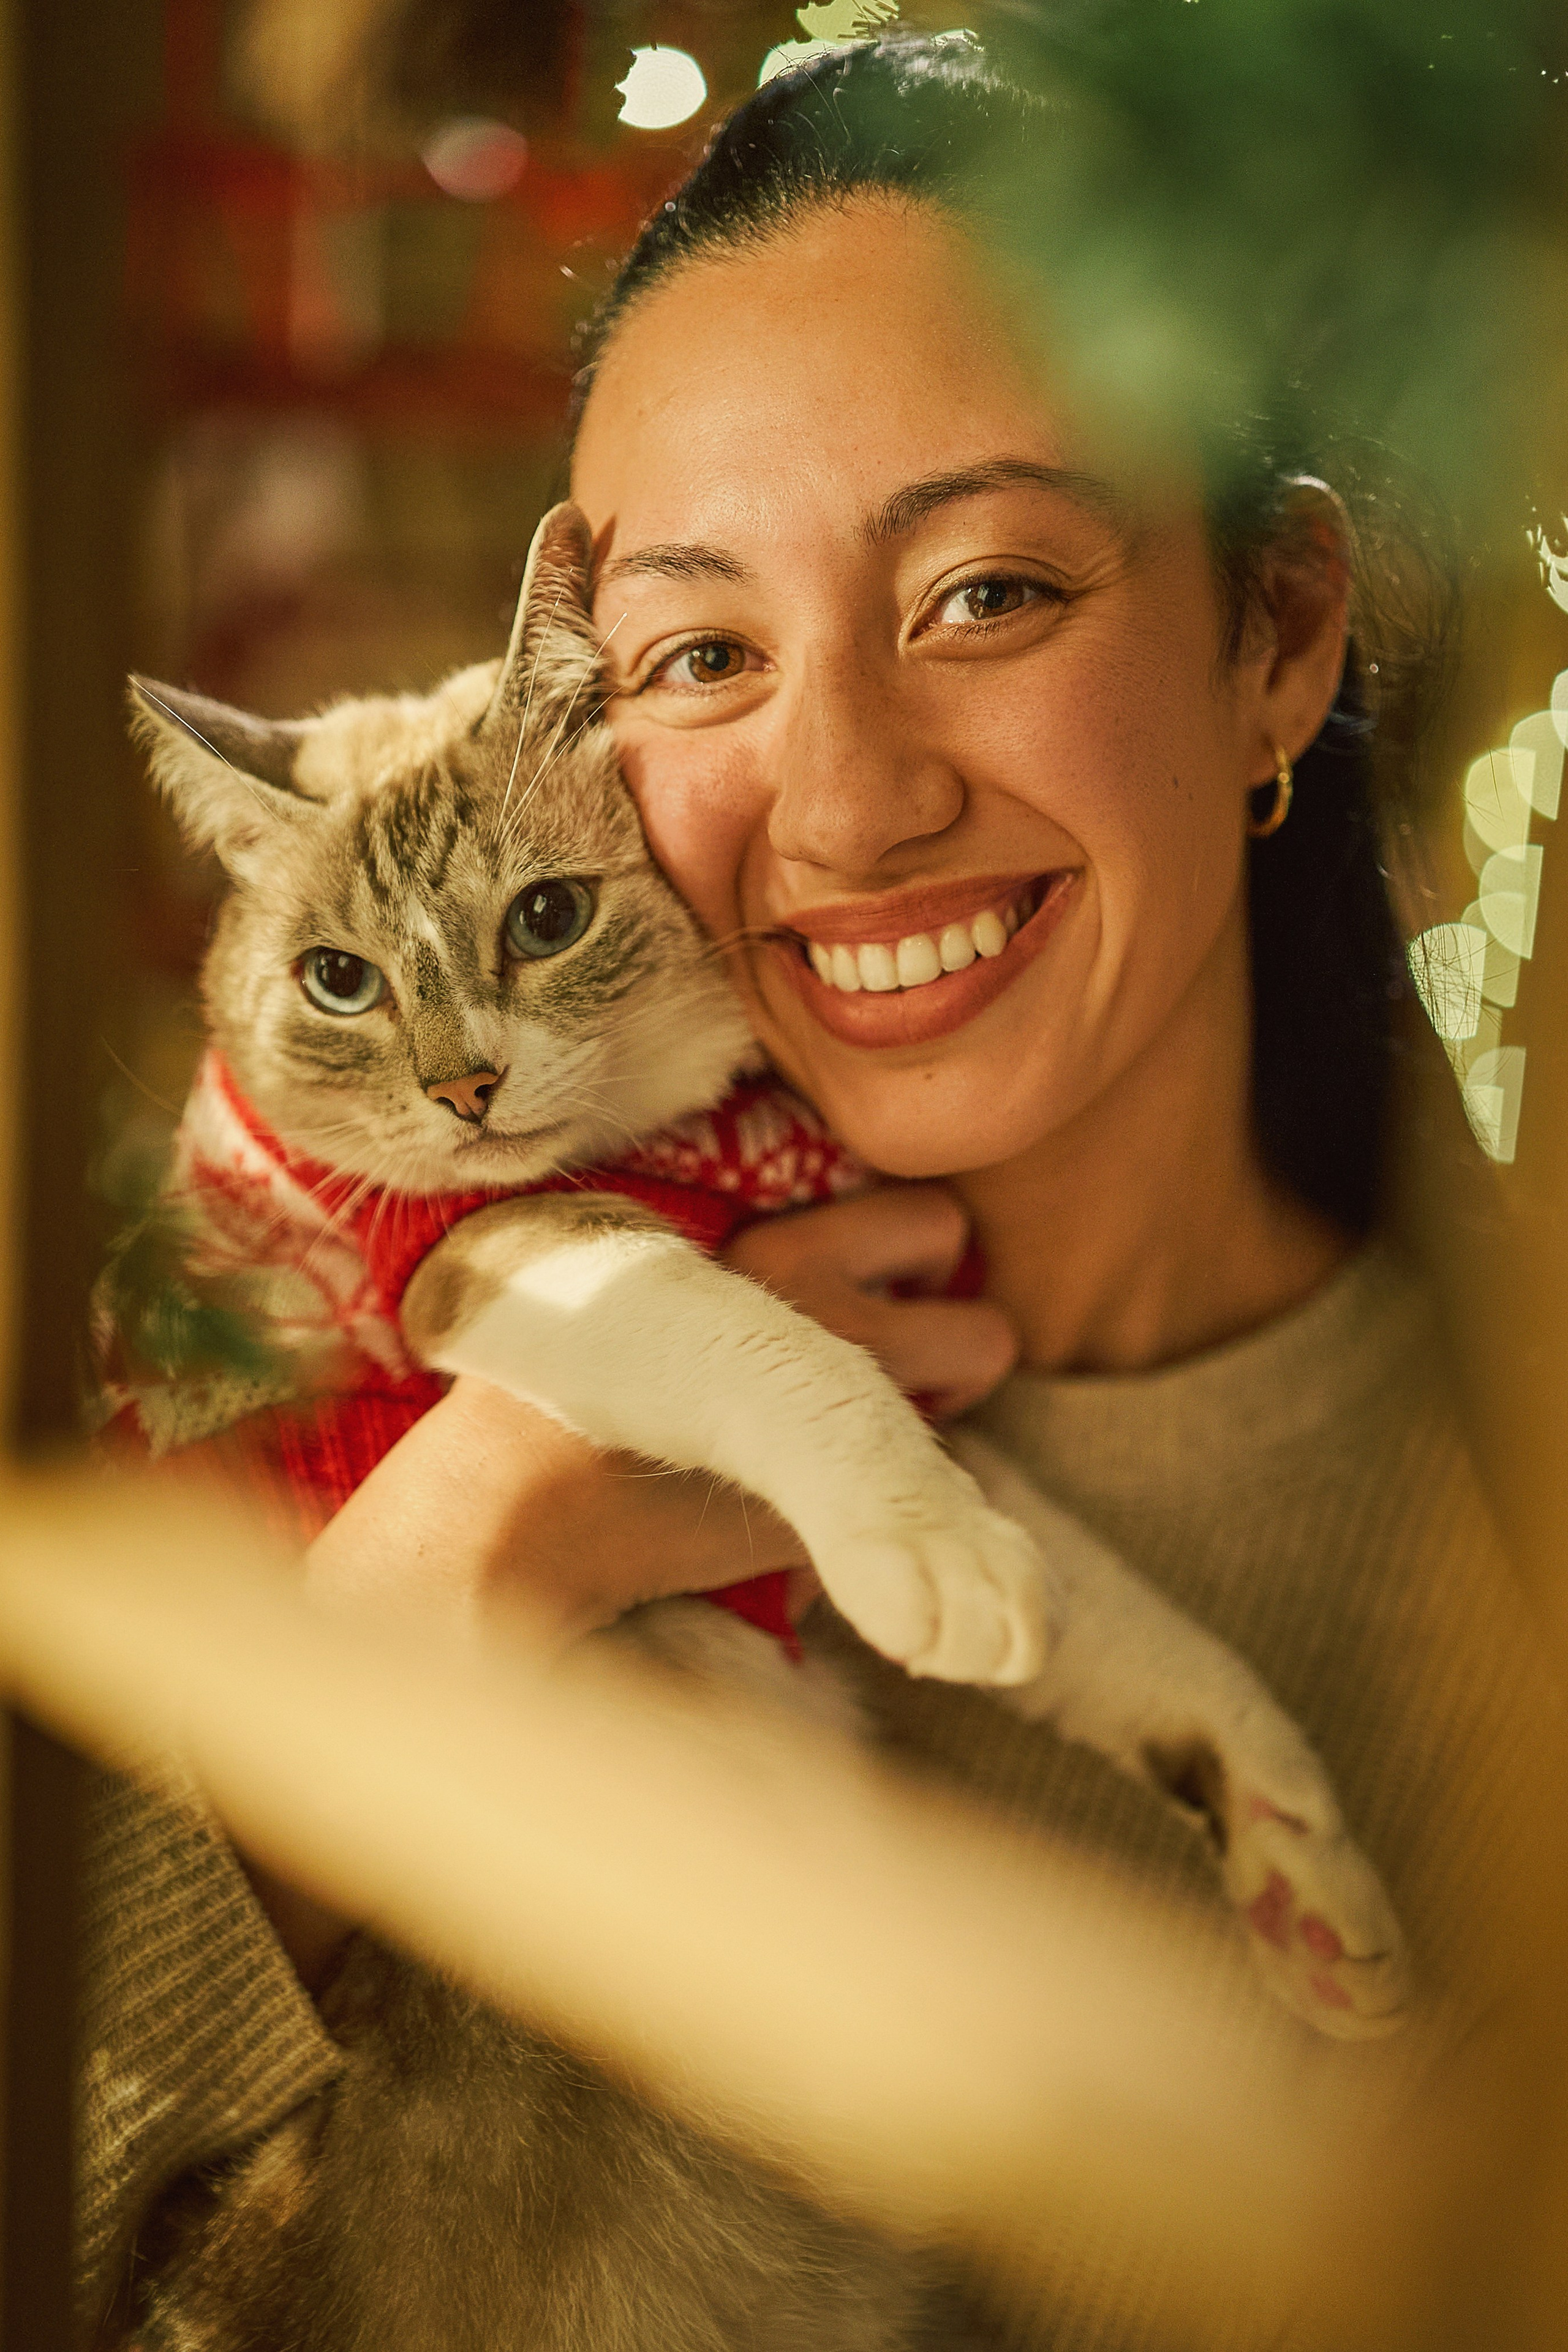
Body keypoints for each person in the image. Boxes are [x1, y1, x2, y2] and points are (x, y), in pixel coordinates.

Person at [80, 34, 1562, 2348]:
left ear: (1275, 637)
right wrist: (429, 1575)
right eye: (699, 653)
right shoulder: (349, 1393)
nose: (847, 805)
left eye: (983, 596)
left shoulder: (1512, 1555)